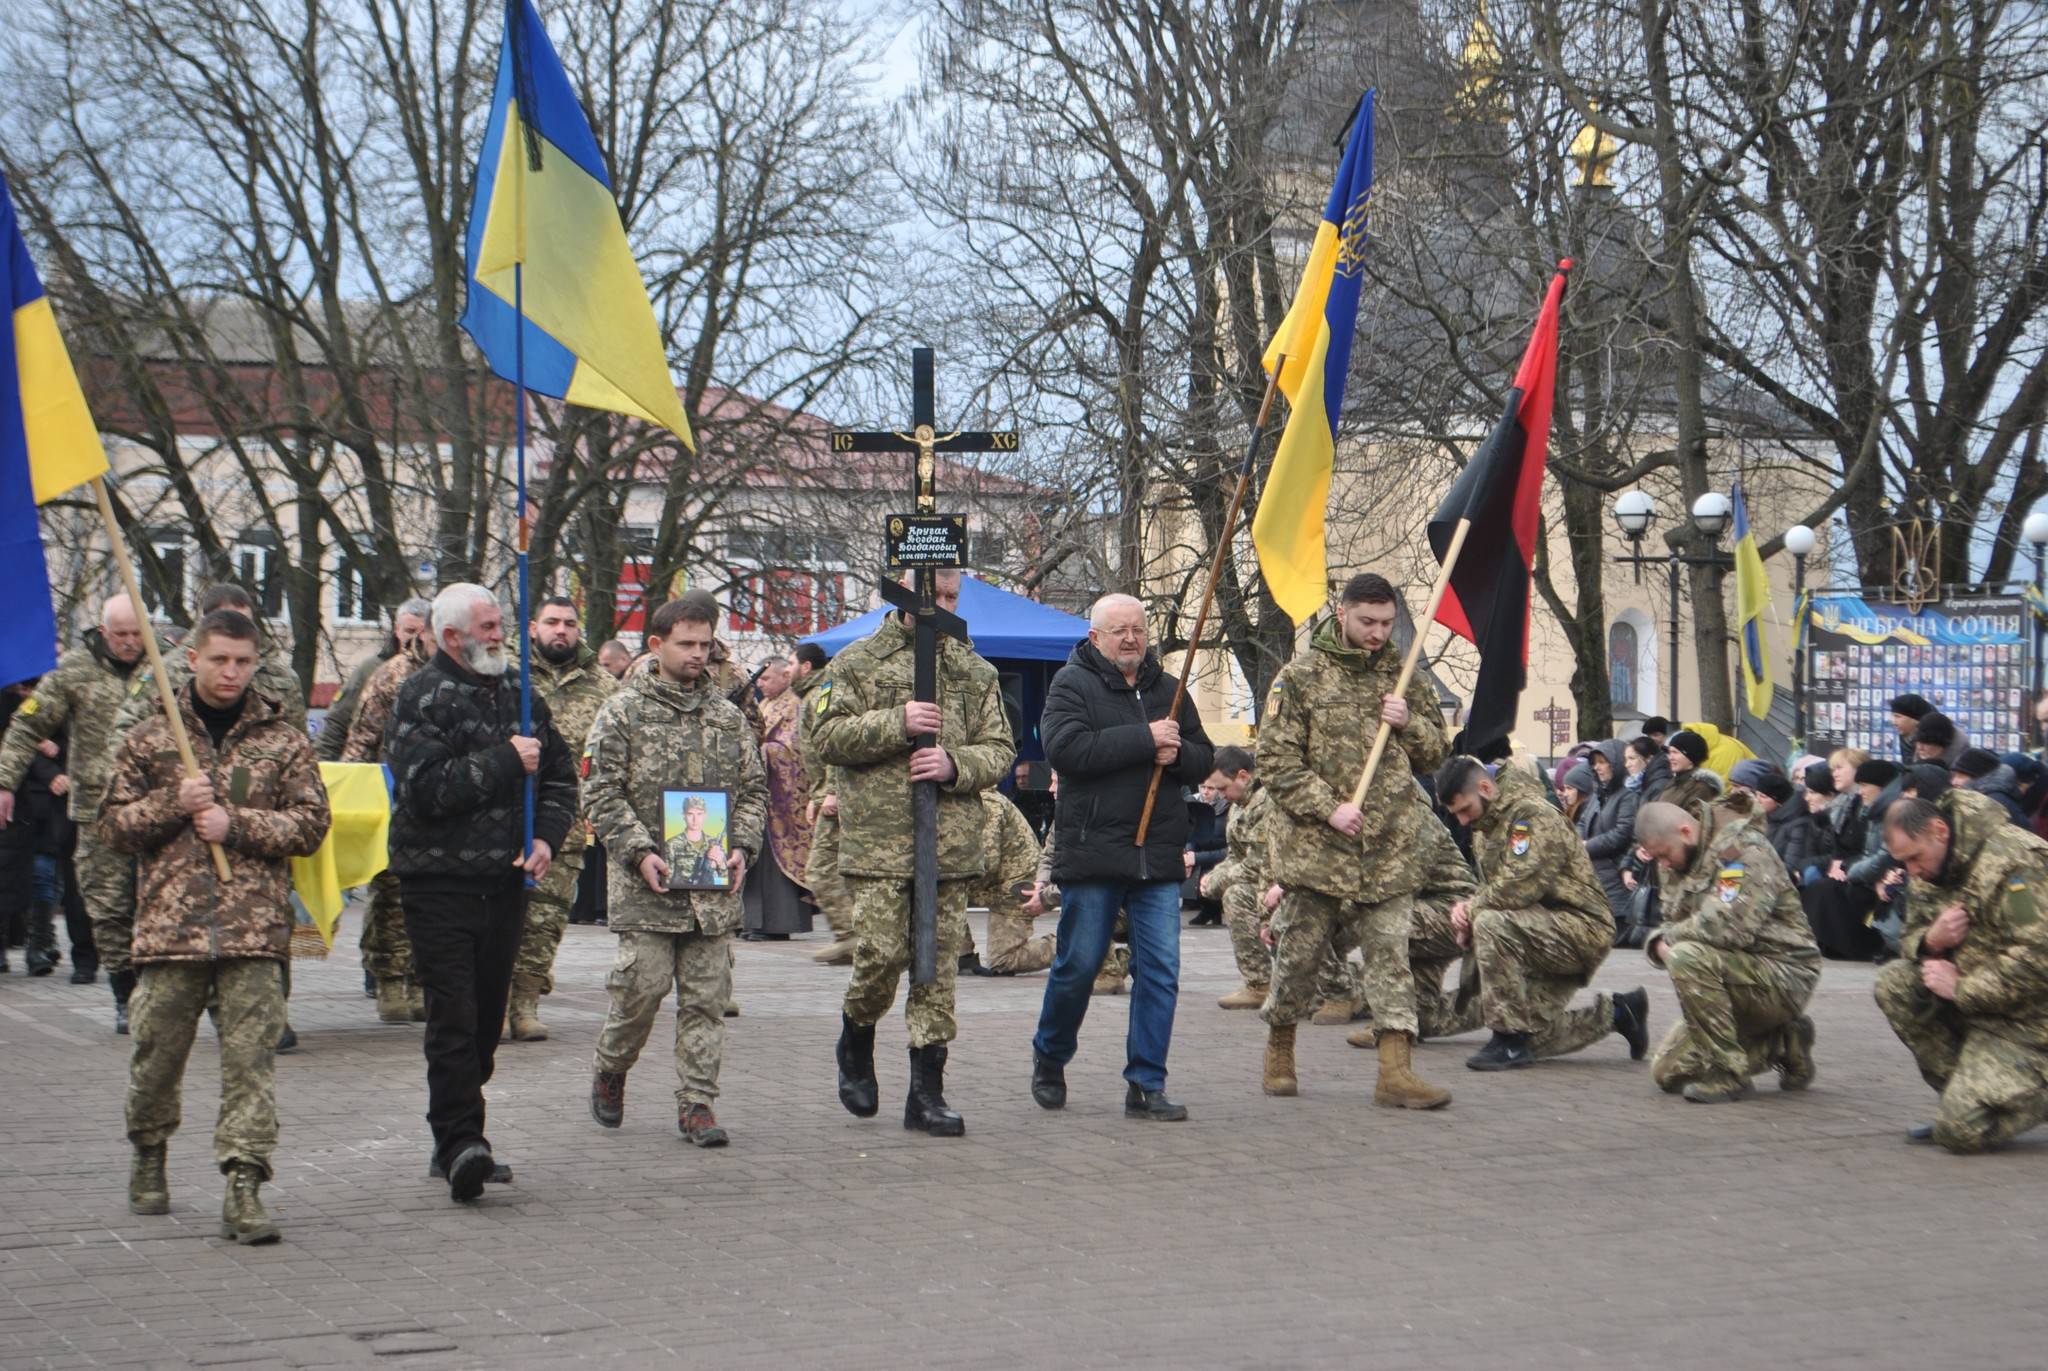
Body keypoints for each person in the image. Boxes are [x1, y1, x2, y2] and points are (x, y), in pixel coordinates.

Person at [100, 609, 330, 1242]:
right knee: (156, 1058)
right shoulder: (153, 736)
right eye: (219, 659)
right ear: (193, 659)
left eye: (243, 661)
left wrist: (240, 825)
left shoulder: (282, 739)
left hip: (253, 932)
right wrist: (174, 802)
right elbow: (112, 828)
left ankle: (245, 1182)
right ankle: (149, 1151)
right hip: (170, 933)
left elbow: (312, 825)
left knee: (251, 1063)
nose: (231, 673)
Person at [384, 584, 577, 1201]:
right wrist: (503, 761)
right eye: (489, 626)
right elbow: (424, 790)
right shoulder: (419, 697)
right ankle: (462, 1141)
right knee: (454, 1014)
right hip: (437, 882)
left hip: (506, 881)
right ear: (450, 638)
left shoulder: (523, 694)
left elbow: (559, 778)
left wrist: (546, 835)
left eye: (501, 623)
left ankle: (457, 1135)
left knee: (487, 1019)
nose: (501, 635)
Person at [812, 569, 1013, 1138]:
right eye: (931, 596)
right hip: (878, 842)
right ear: (902, 592)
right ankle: (856, 1034)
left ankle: (927, 1093)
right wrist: (895, 723)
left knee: (936, 967)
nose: (941, 607)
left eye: (950, 597)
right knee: (879, 953)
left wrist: (956, 765)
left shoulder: (975, 671)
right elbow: (826, 736)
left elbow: (999, 749)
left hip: (948, 846)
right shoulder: (857, 662)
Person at [1255, 573, 1451, 1109]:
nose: (1378, 633)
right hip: (1317, 848)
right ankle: (1280, 1046)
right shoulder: (1300, 678)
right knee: (1299, 954)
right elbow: (1275, 761)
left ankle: (1395, 1072)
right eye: (1368, 621)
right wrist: (1329, 808)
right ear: (1342, 614)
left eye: (1387, 623)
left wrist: (1409, 722)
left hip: (1387, 846)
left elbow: (1436, 754)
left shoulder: (1404, 673)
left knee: (1391, 955)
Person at [583, 595, 765, 1147]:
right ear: (656, 645)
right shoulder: (622, 712)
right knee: (642, 988)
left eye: (705, 644)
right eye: (686, 644)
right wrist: (640, 851)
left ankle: (697, 1105)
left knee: (707, 1000)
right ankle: (612, 1066)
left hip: (711, 888)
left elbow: (755, 791)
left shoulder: (728, 718)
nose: (698, 654)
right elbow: (599, 791)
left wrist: (743, 847)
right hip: (649, 886)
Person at [1029, 592, 1213, 1122]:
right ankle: (1050, 1054)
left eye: (1137, 628)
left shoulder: (1170, 690)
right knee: (1080, 965)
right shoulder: (1071, 685)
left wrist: (1178, 754)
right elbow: (1066, 751)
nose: (1130, 638)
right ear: (1095, 638)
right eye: (1118, 630)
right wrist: (1143, 738)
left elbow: (1202, 759)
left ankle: (1146, 1083)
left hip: (1155, 857)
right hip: (1094, 854)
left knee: (1160, 971)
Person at [1437, 755, 1647, 1071]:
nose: (1463, 821)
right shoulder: (1487, 825)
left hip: (1579, 927)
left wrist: (1473, 909)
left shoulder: (1532, 815)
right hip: (1536, 929)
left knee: (1492, 923)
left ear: (1485, 788)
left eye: (1464, 810)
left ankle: (1507, 1040)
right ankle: (1619, 1014)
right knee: (1533, 1036)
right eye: (1457, 815)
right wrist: (1467, 909)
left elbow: (1520, 885)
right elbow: (1495, 886)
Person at [0, 595, 145, 1029]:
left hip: (158, 811)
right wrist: (5, 781)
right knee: (107, 908)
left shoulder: (167, 668)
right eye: (121, 635)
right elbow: (27, 725)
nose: (130, 643)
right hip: (97, 811)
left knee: (158, 909)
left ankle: (159, 996)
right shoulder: (74, 672)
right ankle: (124, 994)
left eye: (138, 634)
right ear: (104, 632)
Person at [1875, 791, 2048, 1152]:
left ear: (1939, 830)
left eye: (1915, 858)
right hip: (1980, 1010)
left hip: (2031, 1021)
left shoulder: (2016, 863)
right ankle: (1963, 1098)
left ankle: (1976, 1106)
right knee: (1895, 984)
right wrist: (1930, 941)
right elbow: (1909, 937)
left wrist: (1962, 989)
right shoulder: (1930, 868)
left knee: (1959, 1133)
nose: (1913, 871)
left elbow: (2038, 955)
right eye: (1904, 863)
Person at [1633, 800, 1821, 1103]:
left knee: (1686, 957)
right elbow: (1671, 921)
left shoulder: (1743, 849)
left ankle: (1729, 1075)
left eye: (1665, 855)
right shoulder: (1674, 860)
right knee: (1669, 1073)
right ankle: (1785, 1041)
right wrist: (1658, 942)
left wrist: (1668, 940)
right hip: (1727, 972)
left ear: (1685, 831)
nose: (1664, 865)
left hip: (1783, 973)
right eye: (1657, 858)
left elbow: (1727, 929)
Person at [510, 595, 618, 1041]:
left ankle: (525, 1003)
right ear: (533, 627)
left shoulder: (604, 686)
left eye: (569, 623)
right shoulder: (508, 676)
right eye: (551, 622)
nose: (561, 630)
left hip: (567, 824)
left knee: (546, 919)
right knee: (502, 917)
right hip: (507, 817)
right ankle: (493, 1001)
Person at [342, 616, 435, 1023]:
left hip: (441, 804)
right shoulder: (393, 675)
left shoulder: (467, 675)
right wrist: (352, 799)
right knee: (392, 895)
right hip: (393, 797)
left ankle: (419, 980)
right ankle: (389, 980)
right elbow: (362, 737)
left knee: (431, 900)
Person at [1343, 808, 1484, 1048]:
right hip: (1428, 910)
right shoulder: (1382, 821)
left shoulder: (1413, 822)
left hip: (1454, 912)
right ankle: (1493, 1006)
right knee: (1423, 1019)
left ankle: (1389, 1022)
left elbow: (1393, 888)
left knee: (1382, 924)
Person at [745, 647, 816, 942]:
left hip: (784, 798)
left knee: (774, 865)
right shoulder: (765, 706)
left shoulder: (794, 705)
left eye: (767, 678)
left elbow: (794, 748)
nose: (761, 684)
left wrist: (760, 750)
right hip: (762, 793)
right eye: (760, 680)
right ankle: (753, 920)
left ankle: (776, 922)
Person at [795, 644, 857, 965]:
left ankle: (850, 937)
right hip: (828, 794)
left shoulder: (823, 692)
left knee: (820, 870)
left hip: (838, 795)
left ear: (805, 666)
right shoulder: (812, 694)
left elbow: (832, 739)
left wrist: (830, 792)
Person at [1200, 746, 1271, 1009]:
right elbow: (1236, 855)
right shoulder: (1240, 805)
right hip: (1263, 883)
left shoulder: (1265, 803)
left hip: (1278, 884)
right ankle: (1259, 983)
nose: (1221, 795)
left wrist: (1218, 882)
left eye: (1222, 788)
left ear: (1243, 776)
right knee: (1234, 891)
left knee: (1236, 896)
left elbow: (1258, 863)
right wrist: (1214, 874)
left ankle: (1260, 983)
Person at [315, 600, 429, 761]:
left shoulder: (437, 674)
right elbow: (337, 724)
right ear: (397, 630)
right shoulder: (370, 670)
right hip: (375, 771)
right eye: (410, 631)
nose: (416, 639)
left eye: (422, 632)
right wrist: (323, 769)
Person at [960, 789, 1051, 973]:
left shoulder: (985, 802)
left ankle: (1081, 946)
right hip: (992, 886)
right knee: (937, 891)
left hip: (1014, 886)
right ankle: (961, 956)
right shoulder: (953, 801)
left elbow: (987, 862)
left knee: (1004, 961)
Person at [1580, 739, 1640, 928]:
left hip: (1613, 867)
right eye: (1594, 763)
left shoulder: (1627, 795)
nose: (1597, 767)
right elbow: (1582, 822)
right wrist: (1578, 839)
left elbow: (1622, 832)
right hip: (1597, 863)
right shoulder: (1598, 795)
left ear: (1615, 763)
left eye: (1602, 762)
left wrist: (1587, 846)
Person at [1183, 782, 1228, 925]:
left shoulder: (1229, 808)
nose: (1205, 792)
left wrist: (1196, 858)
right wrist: (1189, 852)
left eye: (1210, 788)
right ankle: (1208, 908)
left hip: (1221, 858)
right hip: (1201, 853)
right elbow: (1191, 834)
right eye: (1203, 787)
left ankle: (1213, 909)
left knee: (1207, 875)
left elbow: (1230, 851)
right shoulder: (1196, 805)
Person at [1951, 748, 2027, 825]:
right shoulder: (1984, 796)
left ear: (1978, 777)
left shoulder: (1993, 802)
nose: (1953, 782)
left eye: (1961, 776)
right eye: (1954, 776)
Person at [1662, 730, 1722, 811]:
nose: (1670, 757)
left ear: (1691, 758)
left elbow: (1692, 820)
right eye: (1669, 752)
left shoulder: (1701, 788)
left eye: (1675, 752)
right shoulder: (1675, 781)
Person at [1888, 693, 1934, 764]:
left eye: (1898, 716)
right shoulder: (1905, 733)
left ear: (1915, 720)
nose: (1893, 722)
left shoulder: (1937, 738)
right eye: (1893, 716)